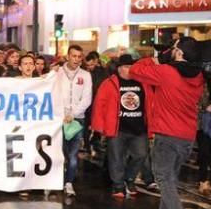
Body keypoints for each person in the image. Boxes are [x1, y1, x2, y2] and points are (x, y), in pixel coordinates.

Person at [129, 37, 204, 209]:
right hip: (187, 136)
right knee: (170, 178)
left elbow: (134, 71)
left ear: (179, 53)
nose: (170, 50)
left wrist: (154, 60)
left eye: (174, 48)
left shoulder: (166, 72)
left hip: (167, 135)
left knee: (163, 178)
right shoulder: (198, 76)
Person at [92, 54, 148, 198]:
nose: (129, 69)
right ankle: (118, 185)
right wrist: (98, 126)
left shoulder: (143, 82)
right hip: (117, 128)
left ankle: (129, 179)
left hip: (139, 128)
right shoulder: (109, 83)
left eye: (131, 66)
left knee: (141, 155)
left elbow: (151, 103)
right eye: (126, 66)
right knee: (116, 157)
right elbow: (99, 104)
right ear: (119, 69)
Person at [54, 45, 93, 196]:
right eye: (74, 56)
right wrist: (61, 113)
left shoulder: (86, 75)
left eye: (79, 57)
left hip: (77, 120)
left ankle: (69, 183)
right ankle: (56, 181)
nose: (76, 59)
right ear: (68, 56)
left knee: (73, 155)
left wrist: (74, 113)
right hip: (59, 119)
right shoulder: (57, 73)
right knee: (59, 152)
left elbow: (87, 98)